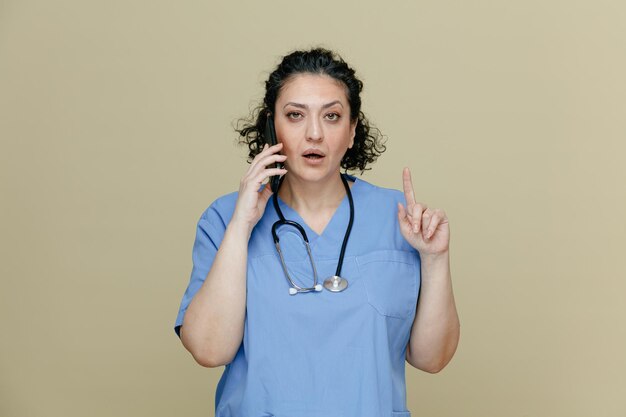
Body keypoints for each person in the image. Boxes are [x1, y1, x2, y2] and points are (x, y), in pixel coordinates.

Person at [174, 48, 460, 417]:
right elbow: (209, 351)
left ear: (353, 130)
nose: (314, 134)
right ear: (271, 125)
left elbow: (432, 359)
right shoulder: (225, 217)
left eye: (332, 116)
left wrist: (435, 259)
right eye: (295, 115)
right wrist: (241, 226)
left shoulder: (401, 219)